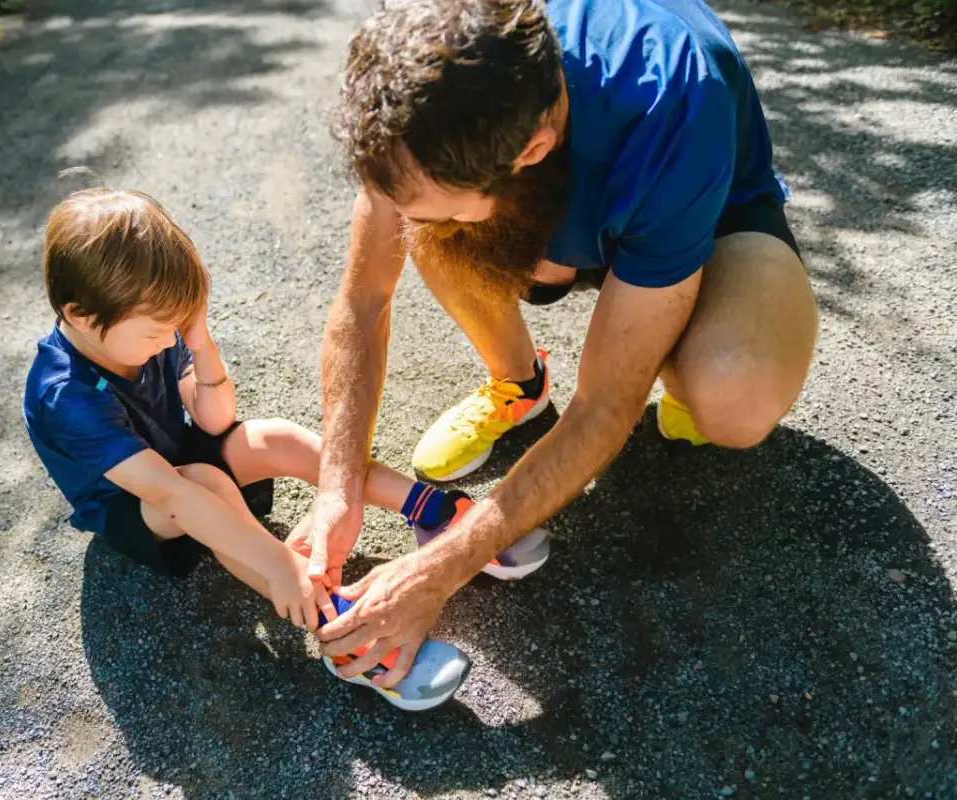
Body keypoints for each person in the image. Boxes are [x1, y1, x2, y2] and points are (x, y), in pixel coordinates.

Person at [298, 0, 819, 688]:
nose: (401, 211)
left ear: (532, 151)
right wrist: (339, 482)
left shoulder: (672, 99)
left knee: (733, 393)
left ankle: (683, 338)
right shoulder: (431, 93)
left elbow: (606, 402)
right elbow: (364, 299)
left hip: (707, 214)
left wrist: (440, 567)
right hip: (546, 202)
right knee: (428, 229)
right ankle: (519, 384)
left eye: (421, 197)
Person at [21, 186, 549, 709]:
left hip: (177, 455)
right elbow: (173, 496)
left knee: (275, 436)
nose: (169, 340)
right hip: (133, 508)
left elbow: (215, 418)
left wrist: (199, 342)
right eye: (159, 332)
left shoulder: (148, 324)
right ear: (83, 315)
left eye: (175, 328)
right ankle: (344, 635)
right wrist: (278, 565)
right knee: (205, 484)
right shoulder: (64, 395)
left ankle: (430, 510)